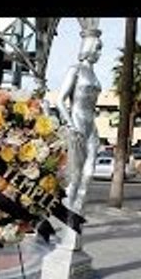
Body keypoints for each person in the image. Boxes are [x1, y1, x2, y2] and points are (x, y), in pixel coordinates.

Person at [57, 19, 103, 216]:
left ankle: (78, 210)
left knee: (90, 171)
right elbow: (60, 100)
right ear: (89, 47)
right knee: (75, 176)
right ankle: (68, 214)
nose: (100, 53)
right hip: (76, 123)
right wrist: (70, 125)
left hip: (91, 125)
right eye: (98, 48)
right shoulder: (75, 69)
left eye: (101, 49)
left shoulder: (95, 76)